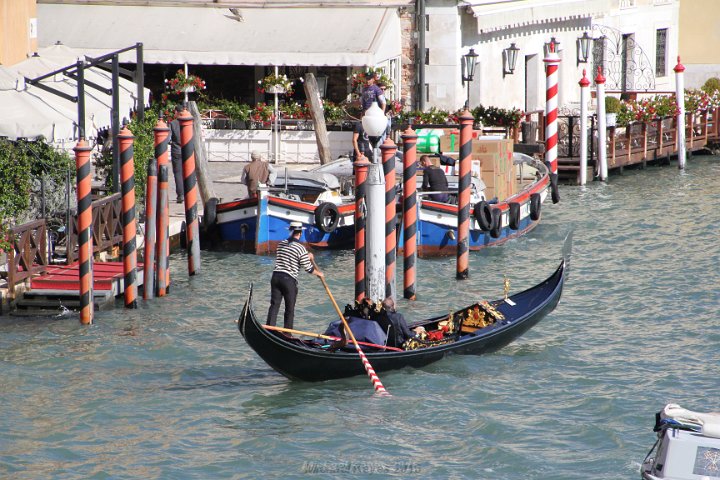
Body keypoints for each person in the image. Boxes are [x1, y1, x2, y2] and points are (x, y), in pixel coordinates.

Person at [266, 221, 324, 331]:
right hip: (288, 280)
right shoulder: (300, 248)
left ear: (290, 231)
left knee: (274, 305)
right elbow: (308, 269)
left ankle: (269, 329)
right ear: (300, 233)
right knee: (289, 309)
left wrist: (307, 256)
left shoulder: (281, 244)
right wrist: (319, 273)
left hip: (276, 277)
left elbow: (289, 255)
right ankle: (287, 334)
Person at [169, 104, 186, 204]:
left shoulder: (173, 123)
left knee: (178, 173)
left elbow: (168, 137)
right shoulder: (189, 121)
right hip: (187, 150)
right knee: (188, 172)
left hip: (176, 150)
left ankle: (180, 194)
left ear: (176, 112)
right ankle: (188, 192)